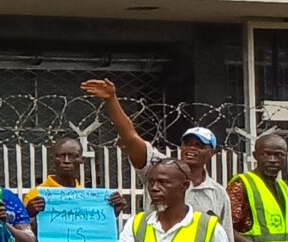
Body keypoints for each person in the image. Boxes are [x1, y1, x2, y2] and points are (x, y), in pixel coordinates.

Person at [85, 79, 230, 226]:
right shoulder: (159, 167)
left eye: (199, 146)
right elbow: (130, 136)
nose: (191, 148)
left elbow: (225, 240)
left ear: (211, 152)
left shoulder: (218, 194)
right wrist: (111, 100)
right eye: (187, 144)